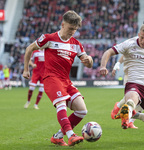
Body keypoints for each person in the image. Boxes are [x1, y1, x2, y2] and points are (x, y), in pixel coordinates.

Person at [23, 10, 93, 146]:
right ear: (62, 25)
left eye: (75, 29)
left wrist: (89, 59)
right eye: (70, 28)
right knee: (61, 104)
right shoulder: (49, 38)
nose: (72, 32)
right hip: (51, 78)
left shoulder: (76, 44)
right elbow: (29, 48)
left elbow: (88, 63)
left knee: (82, 110)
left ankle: (58, 136)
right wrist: (26, 69)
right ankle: (70, 135)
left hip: (66, 81)